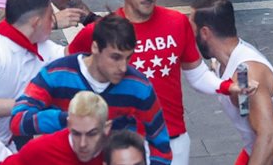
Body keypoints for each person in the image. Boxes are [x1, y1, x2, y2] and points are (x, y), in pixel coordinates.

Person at [69, 0, 241, 165]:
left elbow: (196, 75)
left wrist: (226, 87)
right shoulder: (100, 31)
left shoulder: (177, 23)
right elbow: (68, 74)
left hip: (172, 142)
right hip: (120, 147)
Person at [10, 14, 172, 165]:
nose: (123, 67)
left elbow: (161, 144)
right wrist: (68, 120)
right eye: (115, 57)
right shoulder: (56, 75)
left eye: (128, 57)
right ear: (95, 47)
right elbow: (18, 119)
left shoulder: (139, 87)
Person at [191, 0, 273, 165]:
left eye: (190, 30)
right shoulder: (224, 62)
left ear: (205, 32)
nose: (188, 37)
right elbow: (252, 130)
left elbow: (270, 137)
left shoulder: (247, 73)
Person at [0, 0, 65, 147]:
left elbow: (75, 60)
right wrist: (29, 104)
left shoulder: (42, 47)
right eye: (50, 17)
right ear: (36, 23)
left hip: (4, 146)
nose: (53, 22)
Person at [0, 91, 111, 165]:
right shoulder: (41, 149)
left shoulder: (119, 153)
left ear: (106, 128)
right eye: (76, 133)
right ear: (68, 124)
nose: (83, 144)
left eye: (91, 134)